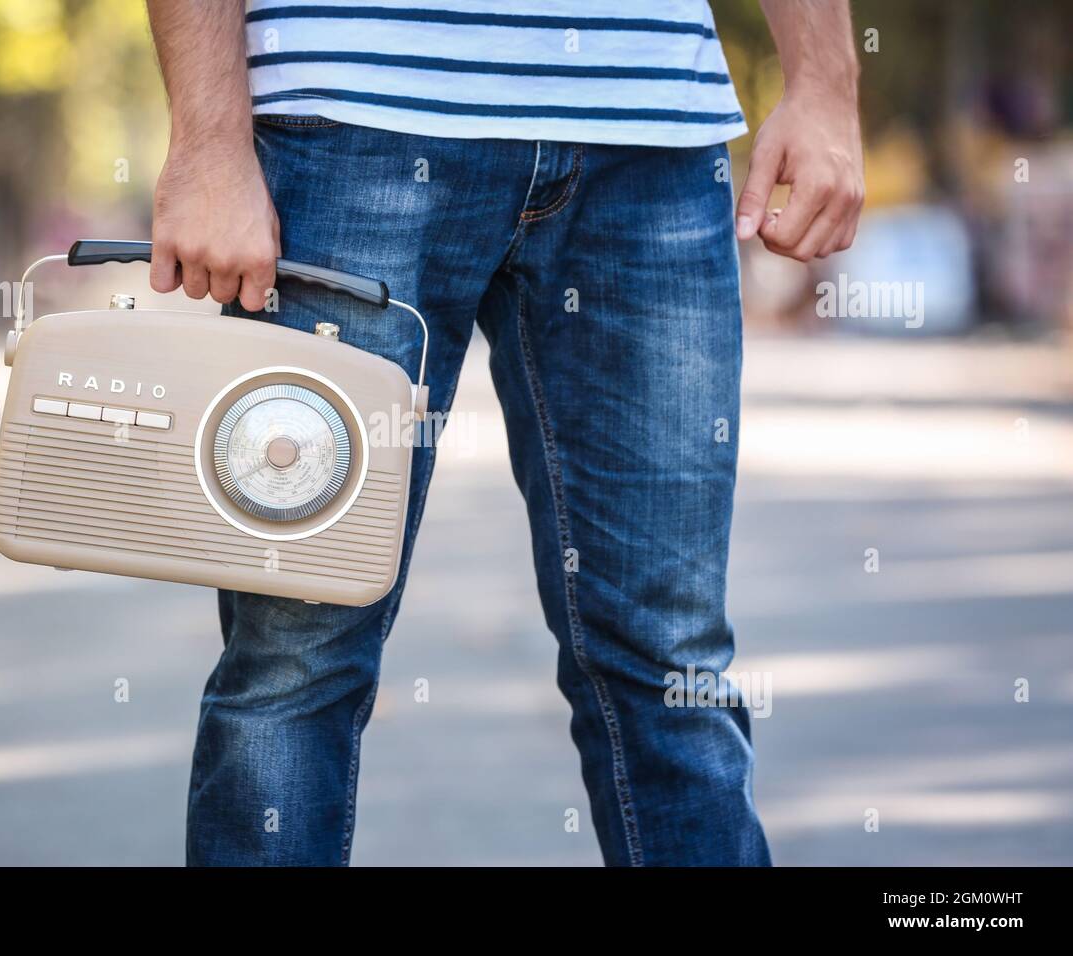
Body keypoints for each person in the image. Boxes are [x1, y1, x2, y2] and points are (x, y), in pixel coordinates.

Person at [145, 0, 864, 866]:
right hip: (353, 110)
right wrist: (208, 138)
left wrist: (826, 79)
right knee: (295, 651)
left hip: (646, 131)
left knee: (670, 661)